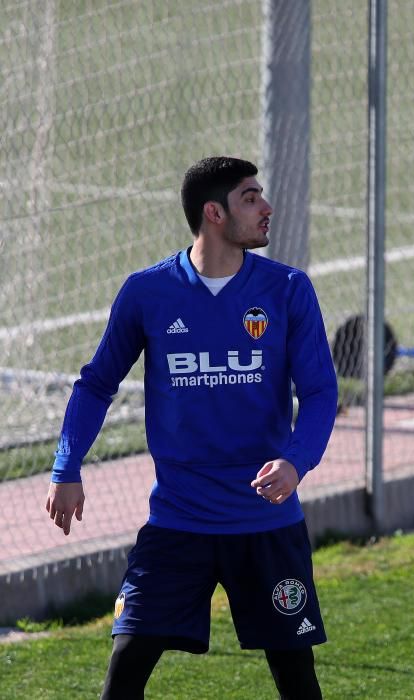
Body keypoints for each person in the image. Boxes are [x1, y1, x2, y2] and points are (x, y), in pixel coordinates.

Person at [45, 156, 339, 699]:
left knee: (298, 682)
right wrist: (67, 465)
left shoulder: (288, 290)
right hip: (178, 523)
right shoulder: (148, 292)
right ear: (214, 213)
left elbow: (320, 391)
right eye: (251, 198)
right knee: (123, 675)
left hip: (266, 522)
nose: (267, 207)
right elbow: (95, 384)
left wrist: (297, 460)